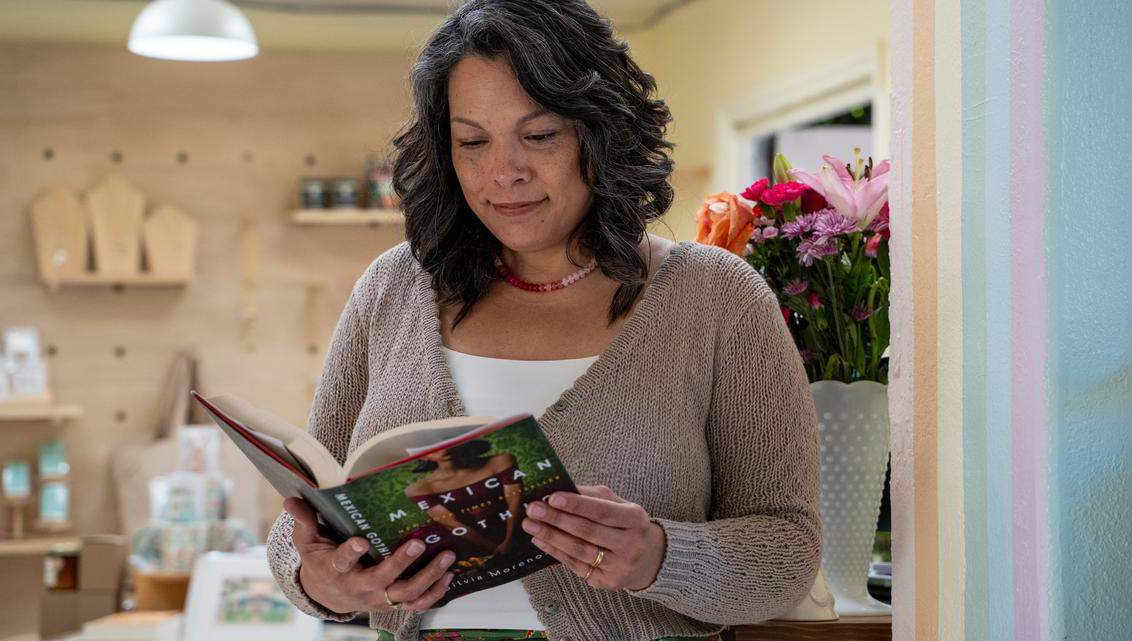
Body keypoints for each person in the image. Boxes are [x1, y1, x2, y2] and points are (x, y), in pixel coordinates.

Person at [267, 1, 821, 640]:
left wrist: (662, 558)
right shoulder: (393, 288)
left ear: (600, 132)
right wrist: (322, 581)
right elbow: (302, 522)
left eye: (539, 135)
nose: (505, 172)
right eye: (473, 141)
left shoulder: (718, 298)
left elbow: (789, 550)